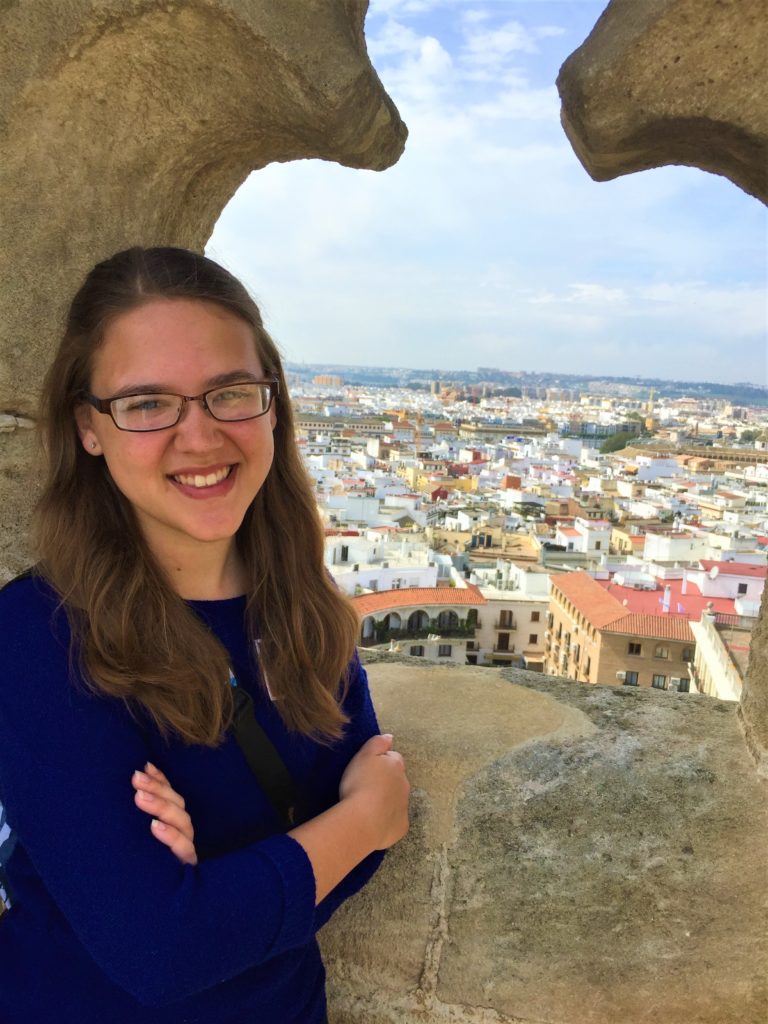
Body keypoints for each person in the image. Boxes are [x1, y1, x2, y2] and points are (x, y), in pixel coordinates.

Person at [0, 246, 410, 1024]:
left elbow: (340, 869)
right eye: (148, 403)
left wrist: (220, 892)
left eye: (230, 393)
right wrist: (353, 824)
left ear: (272, 403)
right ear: (89, 427)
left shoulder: (303, 611)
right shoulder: (39, 637)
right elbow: (161, 953)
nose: (200, 436)